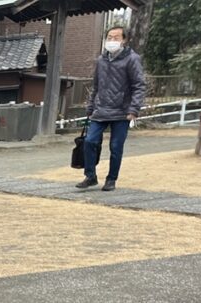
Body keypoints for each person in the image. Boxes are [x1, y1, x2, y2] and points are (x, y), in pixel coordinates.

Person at [76, 24, 146, 192]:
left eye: (116, 37)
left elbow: (139, 85)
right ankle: (90, 176)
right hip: (101, 109)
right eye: (109, 37)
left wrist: (133, 109)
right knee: (90, 141)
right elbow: (96, 86)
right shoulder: (101, 60)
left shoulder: (132, 59)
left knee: (116, 147)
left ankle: (111, 179)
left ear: (125, 40)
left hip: (122, 111)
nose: (112, 40)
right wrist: (90, 106)